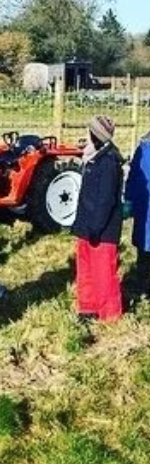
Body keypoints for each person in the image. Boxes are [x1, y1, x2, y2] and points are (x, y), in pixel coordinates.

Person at [71, 115, 124, 322]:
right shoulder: (95, 158)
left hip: (102, 230)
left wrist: (95, 227)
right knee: (85, 270)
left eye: (88, 132)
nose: (86, 136)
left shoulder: (109, 162)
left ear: (96, 136)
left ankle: (110, 315)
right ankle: (88, 307)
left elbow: (105, 200)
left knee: (104, 274)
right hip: (87, 226)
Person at [126, 130, 150, 296]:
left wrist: (129, 201)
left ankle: (142, 285)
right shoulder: (143, 149)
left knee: (144, 249)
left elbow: (133, 179)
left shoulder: (143, 149)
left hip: (144, 207)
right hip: (144, 207)